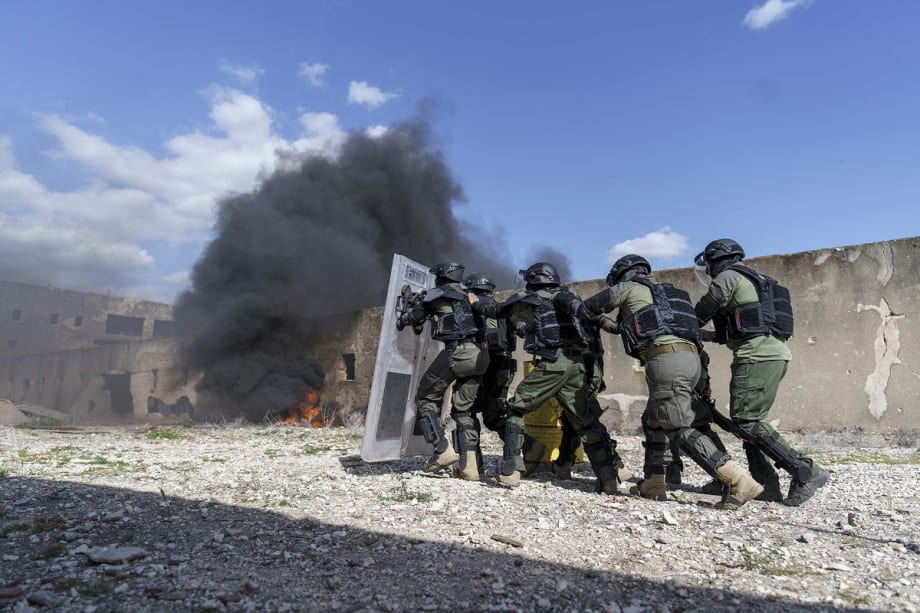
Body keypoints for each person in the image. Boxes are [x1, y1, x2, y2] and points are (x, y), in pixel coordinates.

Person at [576, 254, 763, 506]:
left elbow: (588, 308)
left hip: (665, 360)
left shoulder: (628, 287)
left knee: (677, 426)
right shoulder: (674, 295)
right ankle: (654, 482)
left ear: (623, 275)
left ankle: (738, 480)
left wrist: (582, 310)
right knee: (654, 421)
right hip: (692, 360)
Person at [693, 238, 829, 506]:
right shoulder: (754, 280)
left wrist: (681, 326)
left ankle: (806, 471)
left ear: (715, 262)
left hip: (755, 356)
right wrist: (704, 335)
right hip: (773, 353)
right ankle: (766, 484)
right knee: (750, 423)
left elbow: (700, 314)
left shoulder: (727, 278)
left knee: (746, 421)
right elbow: (731, 330)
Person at [469, 262, 623, 493]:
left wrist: (475, 303)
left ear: (533, 281)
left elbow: (496, 311)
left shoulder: (528, 299)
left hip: (551, 364)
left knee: (516, 409)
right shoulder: (568, 298)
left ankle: (510, 470)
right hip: (577, 366)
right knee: (585, 422)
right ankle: (608, 479)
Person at [396, 262, 490, 480]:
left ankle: (442, 449)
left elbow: (413, 318)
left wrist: (404, 316)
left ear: (441, 277)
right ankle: (469, 469)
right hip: (481, 356)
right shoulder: (471, 295)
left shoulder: (438, 295)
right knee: (463, 411)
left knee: (425, 397)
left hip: (458, 352)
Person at [464, 272, 547, 475]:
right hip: (505, 365)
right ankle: (530, 446)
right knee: (493, 416)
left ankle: (473, 464)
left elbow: (482, 334)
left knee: (467, 410)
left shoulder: (477, 306)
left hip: (484, 363)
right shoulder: (505, 308)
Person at [645, 347, 727, 495]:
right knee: (692, 423)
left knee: (664, 418)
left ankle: (726, 478)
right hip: (693, 362)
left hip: (676, 362)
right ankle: (670, 472)